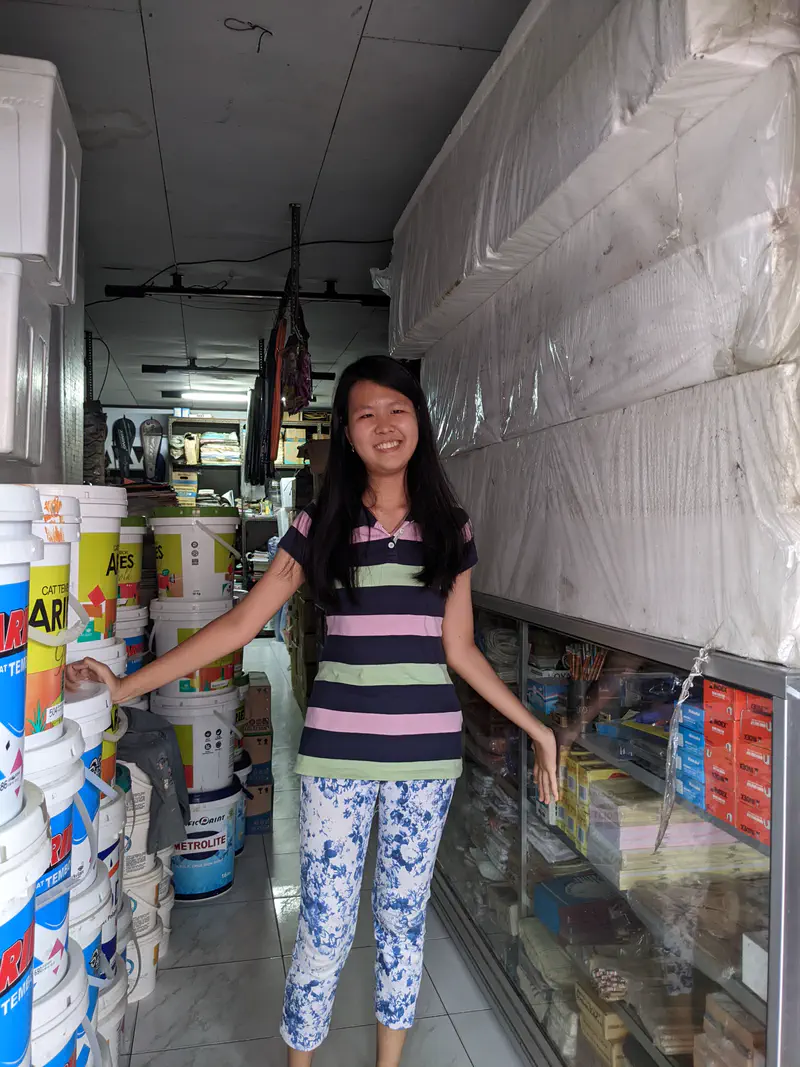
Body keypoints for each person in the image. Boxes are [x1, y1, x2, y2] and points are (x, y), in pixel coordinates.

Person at [67, 355, 559, 1067]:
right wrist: (125, 686)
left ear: (418, 420)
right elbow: (239, 625)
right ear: (349, 433)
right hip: (336, 758)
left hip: (427, 762)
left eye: (397, 409)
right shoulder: (320, 521)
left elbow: (460, 649)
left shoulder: (452, 527)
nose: (384, 425)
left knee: (400, 921)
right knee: (325, 928)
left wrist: (536, 725)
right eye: (366, 414)